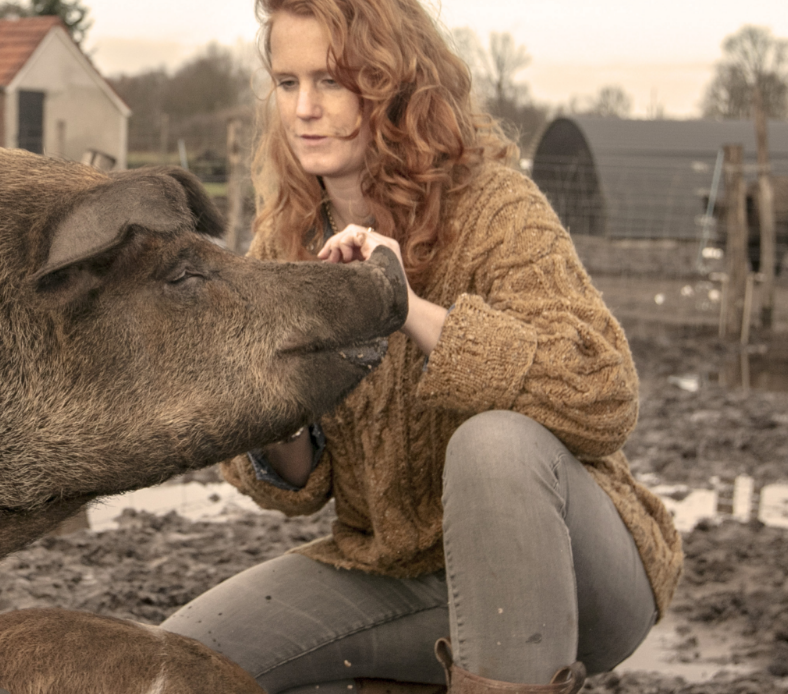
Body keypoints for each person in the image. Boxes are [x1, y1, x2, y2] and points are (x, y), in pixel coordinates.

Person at [158, 1, 684, 693]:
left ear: (394, 87)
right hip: (399, 574)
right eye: (287, 83)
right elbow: (286, 488)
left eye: (332, 82)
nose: (304, 109)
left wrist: (404, 306)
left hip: (575, 574)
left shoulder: (494, 208)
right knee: (171, 665)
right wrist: (280, 392)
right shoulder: (286, 243)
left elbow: (604, 394)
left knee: (493, 443)